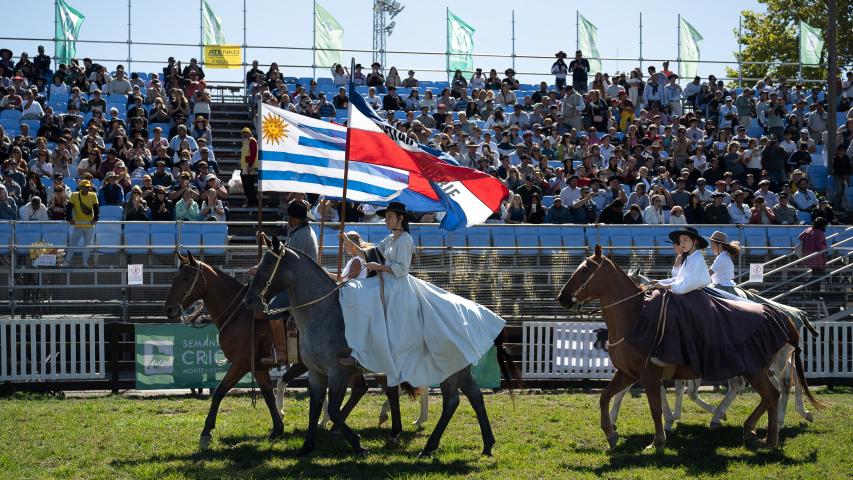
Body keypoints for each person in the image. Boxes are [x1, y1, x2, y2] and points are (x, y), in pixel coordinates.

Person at [337, 201, 505, 387]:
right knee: (353, 291)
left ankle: (361, 353)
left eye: (390, 217)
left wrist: (379, 267)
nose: (386, 220)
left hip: (397, 287)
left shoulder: (405, 240)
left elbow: (401, 270)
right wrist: (349, 242)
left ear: (400, 219)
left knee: (360, 295)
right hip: (384, 282)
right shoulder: (391, 238)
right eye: (386, 217)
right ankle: (357, 350)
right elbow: (369, 254)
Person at [63, 179, 99, 267]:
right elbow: (69, 208)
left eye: (88, 187)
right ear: (80, 188)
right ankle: (67, 261)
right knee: (72, 244)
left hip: (89, 224)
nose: (86, 189)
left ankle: (85, 262)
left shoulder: (93, 195)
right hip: (78, 224)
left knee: (87, 245)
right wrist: (69, 218)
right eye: (84, 187)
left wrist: (95, 219)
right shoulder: (74, 195)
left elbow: (96, 209)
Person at [708, 231, 741, 295]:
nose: (711, 248)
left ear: (720, 245)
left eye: (713, 246)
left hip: (723, 287)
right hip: (724, 286)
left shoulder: (721, 257)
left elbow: (709, 273)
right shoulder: (724, 256)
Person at [798, 217, 828, 288]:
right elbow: (819, 245)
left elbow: (800, 237)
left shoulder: (808, 229)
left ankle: (812, 292)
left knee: (816, 274)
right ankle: (810, 290)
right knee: (818, 275)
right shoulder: (820, 233)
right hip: (816, 256)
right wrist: (826, 248)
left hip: (807, 254)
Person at [239, 127, 258, 206]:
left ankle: (253, 201)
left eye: (246, 132)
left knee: (249, 185)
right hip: (245, 167)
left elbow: (253, 154)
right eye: (243, 133)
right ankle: (251, 201)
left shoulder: (252, 140)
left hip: (249, 166)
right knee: (247, 185)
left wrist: (250, 165)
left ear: (250, 133)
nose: (245, 134)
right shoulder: (245, 142)